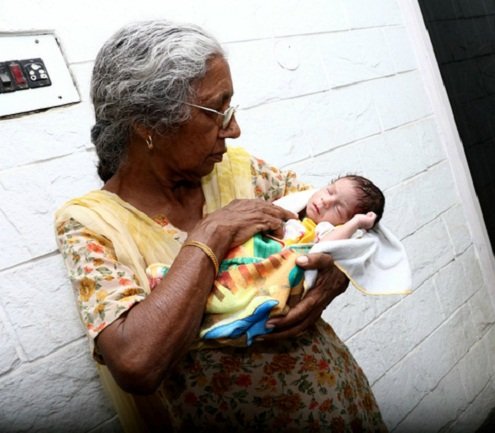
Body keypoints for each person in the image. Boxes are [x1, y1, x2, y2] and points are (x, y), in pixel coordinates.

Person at [54, 20, 388, 432]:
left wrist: (333, 274)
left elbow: (349, 222)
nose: (233, 128)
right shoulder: (91, 224)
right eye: (218, 110)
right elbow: (136, 364)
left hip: (338, 400)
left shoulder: (237, 170)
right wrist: (212, 235)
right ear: (148, 126)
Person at [146, 174, 387, 346]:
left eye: (338, 208)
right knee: (228, 271)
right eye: (330, 191)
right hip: (250, 258)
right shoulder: (297, 205)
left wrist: (355, 224)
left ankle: (233, 318)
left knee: (249, 289)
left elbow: (332, 247)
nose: (325, 201)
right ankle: (175, 281)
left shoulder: (323, 230)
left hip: (275, 273)